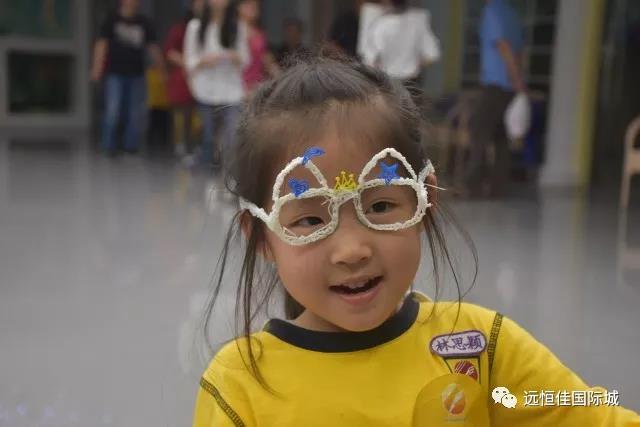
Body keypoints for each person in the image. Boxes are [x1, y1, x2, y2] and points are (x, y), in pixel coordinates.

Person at [192, 57, 640, 426]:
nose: (352, 250)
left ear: (424, 202)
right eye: (310, 219)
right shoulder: (238, 387)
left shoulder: (482, 349)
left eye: (380, 206)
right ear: (262, 238)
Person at [465, 0, 525, 198]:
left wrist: (515, 78)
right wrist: (518, 79)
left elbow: (503, 45)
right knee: (500, 137)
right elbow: (518, 51)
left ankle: (473, 188)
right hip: (508, 88)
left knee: (478, 132)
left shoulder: (492, 11)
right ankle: (497, 188)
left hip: (496, 84)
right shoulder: (512, 13)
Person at [91, 0, 166, 157]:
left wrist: (161, 70)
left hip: (137, 73)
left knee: (135, 112)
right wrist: (97, 68)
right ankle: (109, 145)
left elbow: (153, 47)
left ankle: (130, 146)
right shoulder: (112, 19)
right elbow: (102, 44)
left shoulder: (144, 22)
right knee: (112, 110)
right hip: (115, 73)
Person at [183, 0, 249, 168]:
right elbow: (189, 60)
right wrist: (204, 61)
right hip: (205, 88)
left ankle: (228, 171)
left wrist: (233, 56)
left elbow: (245, 59)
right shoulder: (195, 27)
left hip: (231, 89)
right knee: (207, 136)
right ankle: (206, 168)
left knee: (231, 134)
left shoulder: (237, 27)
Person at [359, 0, 440, 89]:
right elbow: (432, 55)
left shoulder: (381, 25)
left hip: (388, 82)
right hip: (411, 82)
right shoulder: (417, 22)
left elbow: (368, 61)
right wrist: (414, 66)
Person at [164, 0, 205, 158]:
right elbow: (170, 52)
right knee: (184, 112)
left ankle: (199, 146)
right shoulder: (180, 28)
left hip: (206, 78)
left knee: (204, 115)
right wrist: (189, 63)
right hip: (184, 77)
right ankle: (182, 145)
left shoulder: (211, 27)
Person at [238, 0, 280, 94]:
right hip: (237, 87)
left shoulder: (259, 33)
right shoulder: (233, 31)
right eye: (249, 4)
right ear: (239, 7)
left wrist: (284, 80)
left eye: (256, 5)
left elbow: (267, 60)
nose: (254, 8)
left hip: (256, 86)